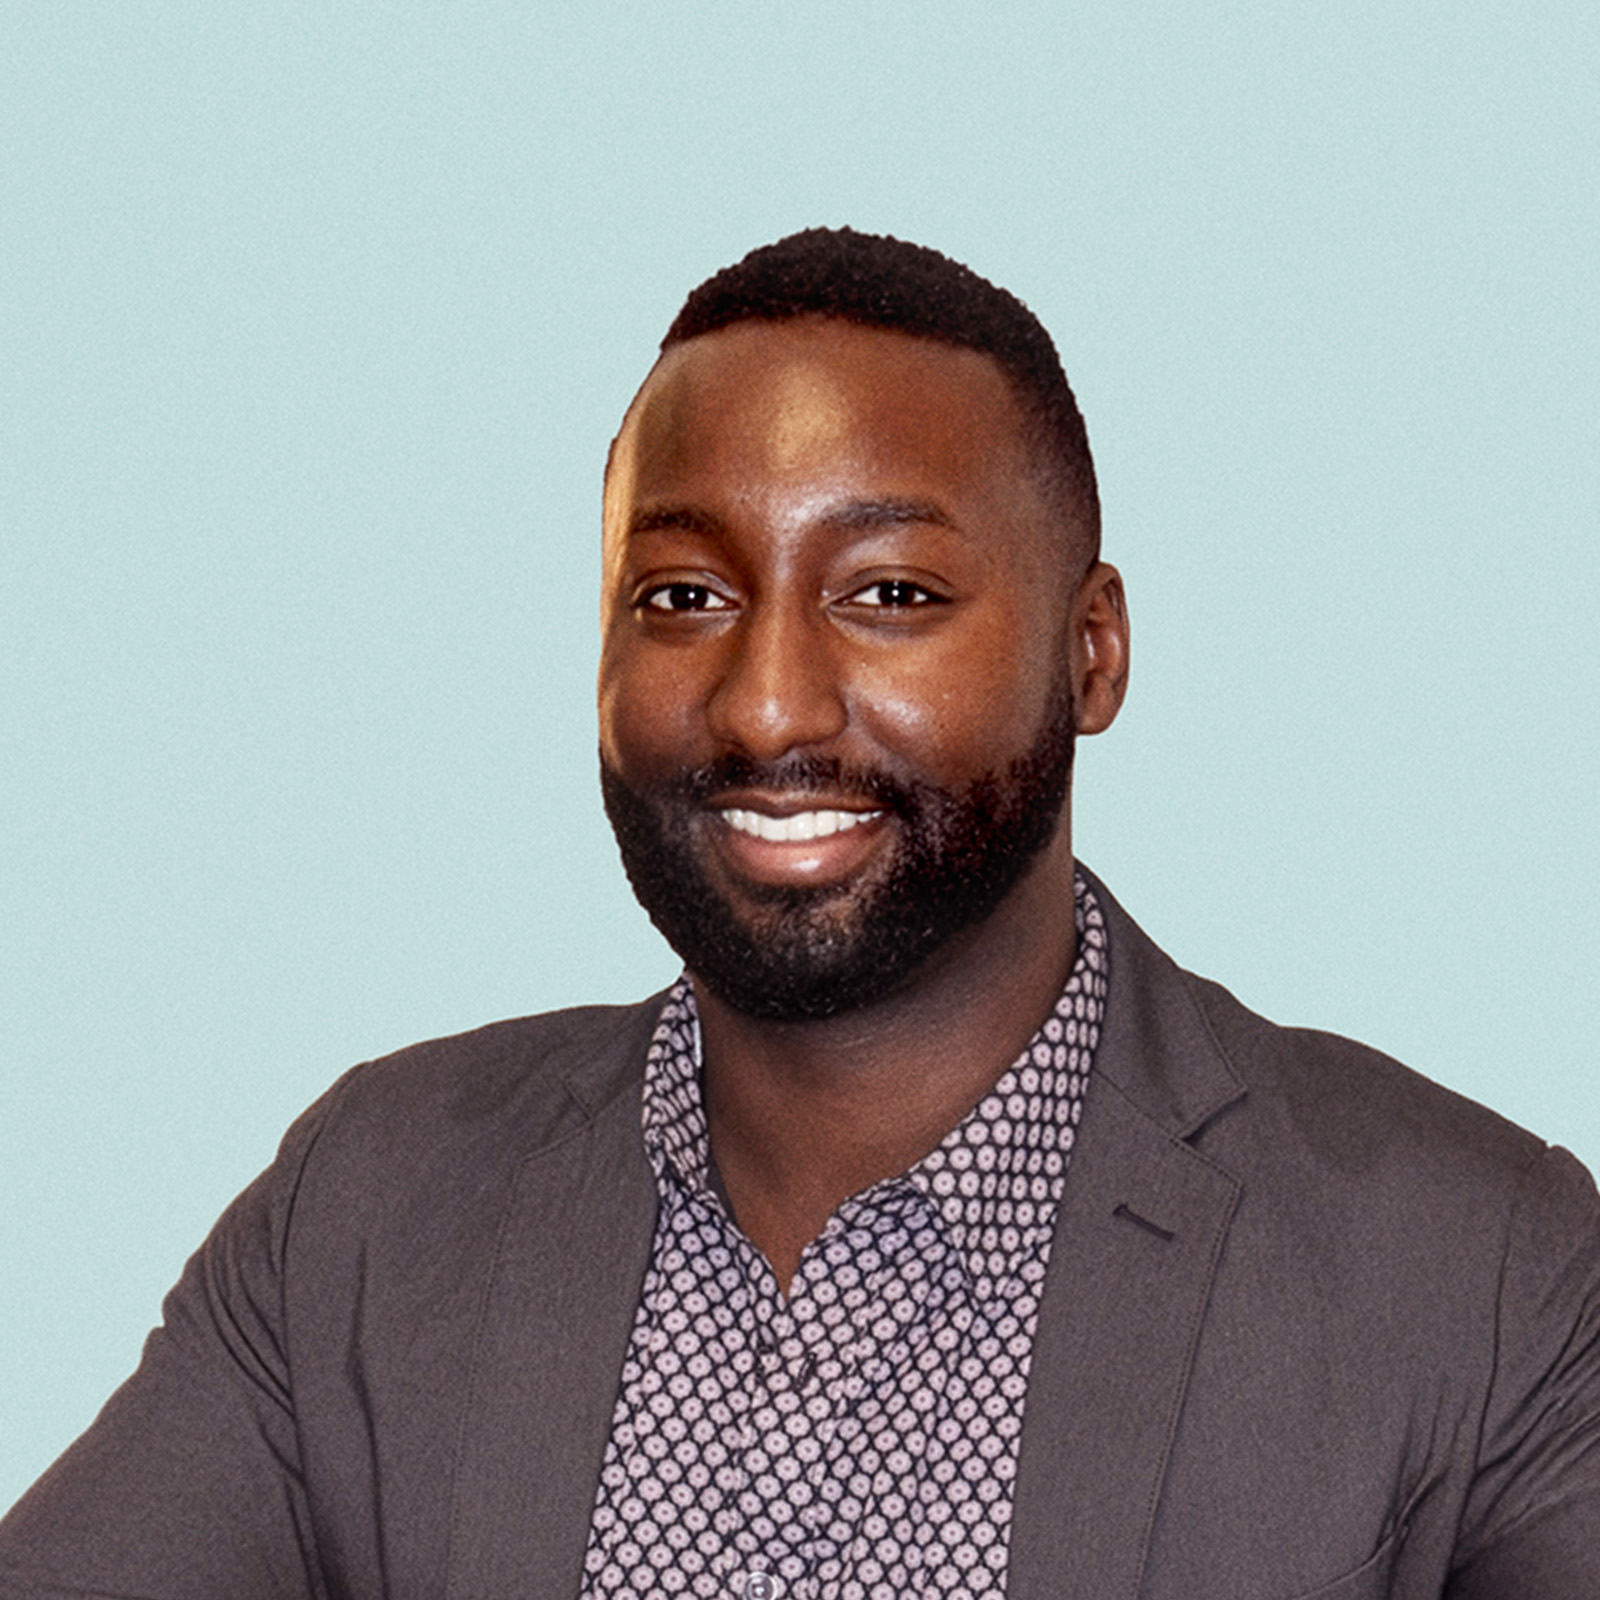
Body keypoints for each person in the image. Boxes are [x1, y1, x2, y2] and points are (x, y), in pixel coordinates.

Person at [2, 227, 1597, 1600]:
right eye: (684, 596)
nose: (766, 703)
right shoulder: (368, 1210)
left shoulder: (1485, 1270)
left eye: (889, 595)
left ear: (1091, 652)